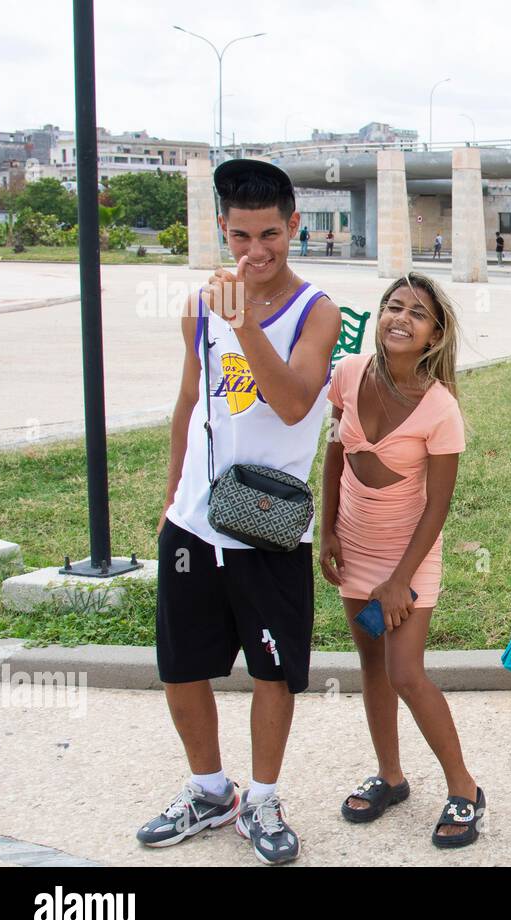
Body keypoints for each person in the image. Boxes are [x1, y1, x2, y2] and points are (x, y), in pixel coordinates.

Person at [140, 159, 342, 864]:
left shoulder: (317, 310)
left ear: (294, 228)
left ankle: (261, 798)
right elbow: (190, 401)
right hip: (196, 521)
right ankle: (207, 790)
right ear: (222, 231)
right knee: (182, 666)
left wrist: (246, 325)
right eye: (239, 237)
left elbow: (293, 402)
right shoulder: (199, 306)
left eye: (269, 235)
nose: (255, 253)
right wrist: (171, 499)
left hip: (268, 523)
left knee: (272, 671)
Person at [320, 271, 485, 845]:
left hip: (408, 556)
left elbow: (438, 506)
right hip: (354, 545)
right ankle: (391, 776)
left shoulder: (439, 408)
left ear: (434, 335)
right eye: (393, 306)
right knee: (371, 668)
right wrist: (328, 532)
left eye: (416, 314)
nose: (400, 319)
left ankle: (464, 789)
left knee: (406, 673)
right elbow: (336, 453)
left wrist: (400, 580)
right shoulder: (346, 374)